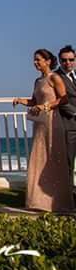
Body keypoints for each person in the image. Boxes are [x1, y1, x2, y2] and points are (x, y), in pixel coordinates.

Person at [13, 49, 74, 212]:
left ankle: (60, 201)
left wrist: (45, 106)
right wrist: (21, 100)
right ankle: (39, 202)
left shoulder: (55, 77)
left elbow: (64, 98)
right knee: (39, 158)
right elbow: (34, 100)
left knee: (55, 160)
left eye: (38, 60)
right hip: (40, 124)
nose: (35, 62)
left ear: (48, 61)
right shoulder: (37, 81)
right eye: (34, 60)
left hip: (53, 122)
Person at [55, 45, 76, 201]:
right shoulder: (56, 77)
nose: (67, 63)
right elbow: (60, 100)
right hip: (69, 124)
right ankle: (68, 196)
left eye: (71, 60)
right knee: (68, 163)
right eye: (64, 60)